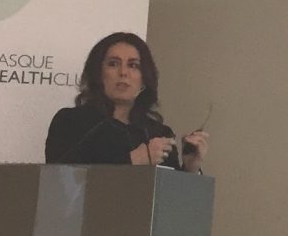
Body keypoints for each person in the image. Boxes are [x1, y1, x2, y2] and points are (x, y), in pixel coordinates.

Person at [44, 32, 208, 172]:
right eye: (113, 64)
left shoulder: (158, 133)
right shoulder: (70, 122)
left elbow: (171, 195)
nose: (123, 72)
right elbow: (59, 182)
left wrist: (190, 168)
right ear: (98, 73)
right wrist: (133, 160)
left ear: (144, 78)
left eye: (133, 65)